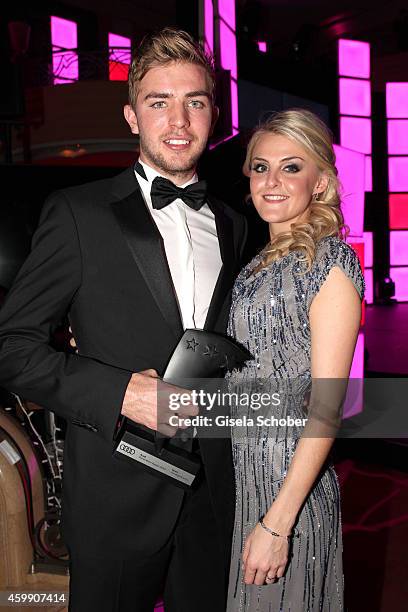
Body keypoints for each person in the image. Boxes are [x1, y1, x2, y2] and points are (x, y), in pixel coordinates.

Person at [0, 29, 247, 612]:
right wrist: (122, 394)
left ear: (214, 112)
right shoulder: (78, 214)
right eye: (159, 103)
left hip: (213, 487)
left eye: (195, 101)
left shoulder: (234, 224)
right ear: (132, 116)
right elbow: (11, 347)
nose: (179, 121)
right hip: (116, 488)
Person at [225, 109, 364, 611]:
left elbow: (326, 408)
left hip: (289, 492)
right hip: (244, 478)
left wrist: (278, 524)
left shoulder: (331, 263)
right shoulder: (258, 263)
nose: (272, 181)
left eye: (291, 167)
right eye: (260, 168)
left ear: (321, 181)